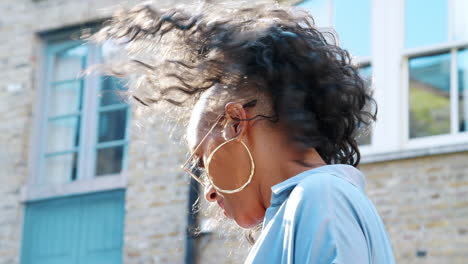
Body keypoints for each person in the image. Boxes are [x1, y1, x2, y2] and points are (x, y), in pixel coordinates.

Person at [93, 2, 396, 263]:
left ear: (236, 122)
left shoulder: (320, 196)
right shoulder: (308, 204)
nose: (209, 191)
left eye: (202, 160)